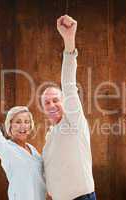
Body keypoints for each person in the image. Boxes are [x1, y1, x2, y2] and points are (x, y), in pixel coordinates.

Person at [41, 15, 96, 200]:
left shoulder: (74, 121)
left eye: (55, 100)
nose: (52, 105)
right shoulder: (50, 135)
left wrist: (69, 40)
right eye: (47, 103)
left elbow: (68, 83)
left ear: (65, 101)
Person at [0, 77, 46, 200]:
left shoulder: (33, 151)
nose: (23, 126)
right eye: (18, 122)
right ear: (10, 126)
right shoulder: (7, 149)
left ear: (31, 126)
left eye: (26, 122)